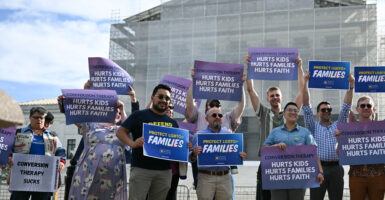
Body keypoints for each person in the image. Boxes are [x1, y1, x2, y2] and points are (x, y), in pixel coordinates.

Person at [245, 55, 304, 200]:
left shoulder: (291, 113)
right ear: (267, 99)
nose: (275, 97)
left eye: (277, 95)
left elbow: (302, 92)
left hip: (288, 162)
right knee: (265, 197)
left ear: (282, 97)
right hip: (268, 161)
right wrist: (250, 67)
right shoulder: (264, 113)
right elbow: (251, 91)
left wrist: (300, 68)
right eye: (272, 96)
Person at [185, 69, 246, 190]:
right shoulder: (199, 116)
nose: (214, 107)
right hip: (204, 171)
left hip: (224, 171)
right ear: (206, 108)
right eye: (211, 104)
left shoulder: (228, 118)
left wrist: (241, 86)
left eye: (217, 105)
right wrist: (193, 81)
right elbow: (189, 104)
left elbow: (241, 106)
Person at [116, 84, 179, 200]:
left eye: (167, 98)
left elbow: (176, 147)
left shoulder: (173, 123)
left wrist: (185, 146)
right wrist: (133, 143)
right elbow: (120, 132)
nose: (164, 100)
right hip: (141, 170)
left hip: (164, 172)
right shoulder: (139, 115)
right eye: (160, 97)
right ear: (153, 97)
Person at [302, 71, 354, 200]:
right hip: (319, 169)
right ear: (318, 113)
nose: (326, 111)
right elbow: (306, 106)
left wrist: (351, 86)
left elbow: (346, 107)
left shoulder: (338, 124)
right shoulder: (312, 127)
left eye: (329, 109)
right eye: (323, 109)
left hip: (336, 168)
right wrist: (305, 83)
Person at [65, 96, 128, 200]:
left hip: (112, 175)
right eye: (114, 111)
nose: (118, 114)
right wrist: (66, 102)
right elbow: (76, 116)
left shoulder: (121, 129)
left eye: (120, 113)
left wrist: (122, 107)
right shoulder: (93, 125)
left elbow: (128, 126)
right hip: (88, 172)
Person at [263, 102, 324, 200]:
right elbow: (264, 150)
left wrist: (320, 172)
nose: (293, 112)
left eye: (295, 111)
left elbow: (313, 153)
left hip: (298, 179)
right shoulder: (275, 132)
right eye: (290, 110)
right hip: (278, 178)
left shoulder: (305, 132)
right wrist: (275, 146)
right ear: (284, 114)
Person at [190, 107, 247, 200]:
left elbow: (233, 155)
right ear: (207, 119)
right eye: (214, 115)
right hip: (205, 178)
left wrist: (240, 156)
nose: (217, 117)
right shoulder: (198, 135)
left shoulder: (229, 135)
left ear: (222, 118)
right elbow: (190, 158)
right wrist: (193, 154)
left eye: (220, 115)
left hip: (225, 177)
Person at [9, 107, 66, 200]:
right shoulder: (19, 132)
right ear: (30, 118)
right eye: (35, 117)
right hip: (21, 177)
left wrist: (62, 161)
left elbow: (60, 150)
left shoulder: (52, 135)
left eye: (41, 118)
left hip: (44, 178)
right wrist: (9, 156)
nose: (39, 120)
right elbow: (8, 148)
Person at [335, 96, 385, 200]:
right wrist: (341, 140)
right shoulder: (349, 129)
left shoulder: (381, 128)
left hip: (378, 175)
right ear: (357, 109)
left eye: (369, 105)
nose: (366, 107)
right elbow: (340, 153)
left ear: (373, 109)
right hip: (356, 176)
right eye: (363, 105)